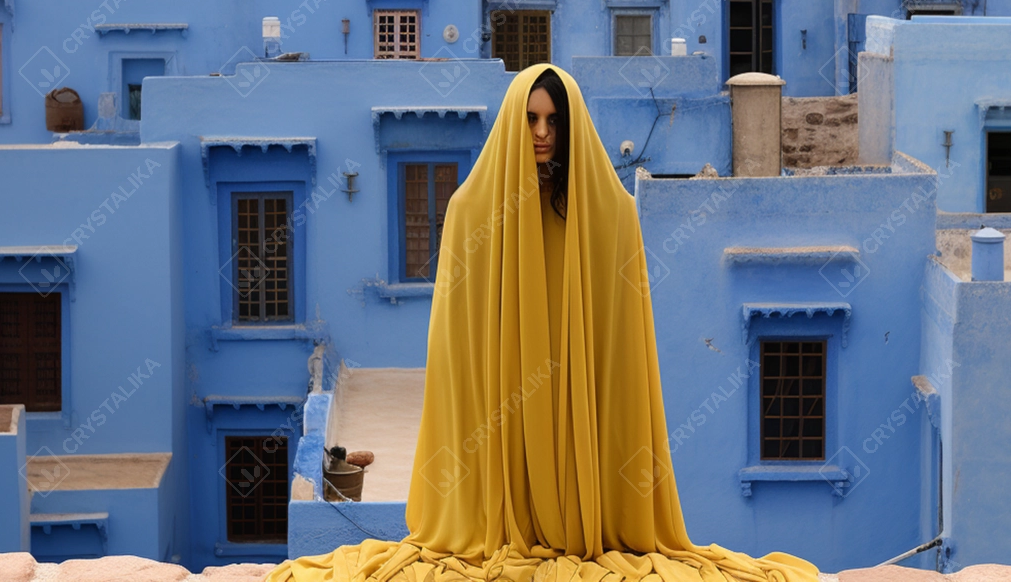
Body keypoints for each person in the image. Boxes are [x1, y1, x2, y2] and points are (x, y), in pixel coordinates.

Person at [267, 64, 817, 582]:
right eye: (531, 119)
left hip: (577, 406)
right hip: (503, 407)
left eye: (554, 120)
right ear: (512, 122)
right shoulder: (469, 213)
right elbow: (457, 350)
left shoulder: (612, 215)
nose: (542, 132)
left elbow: (623, 355)